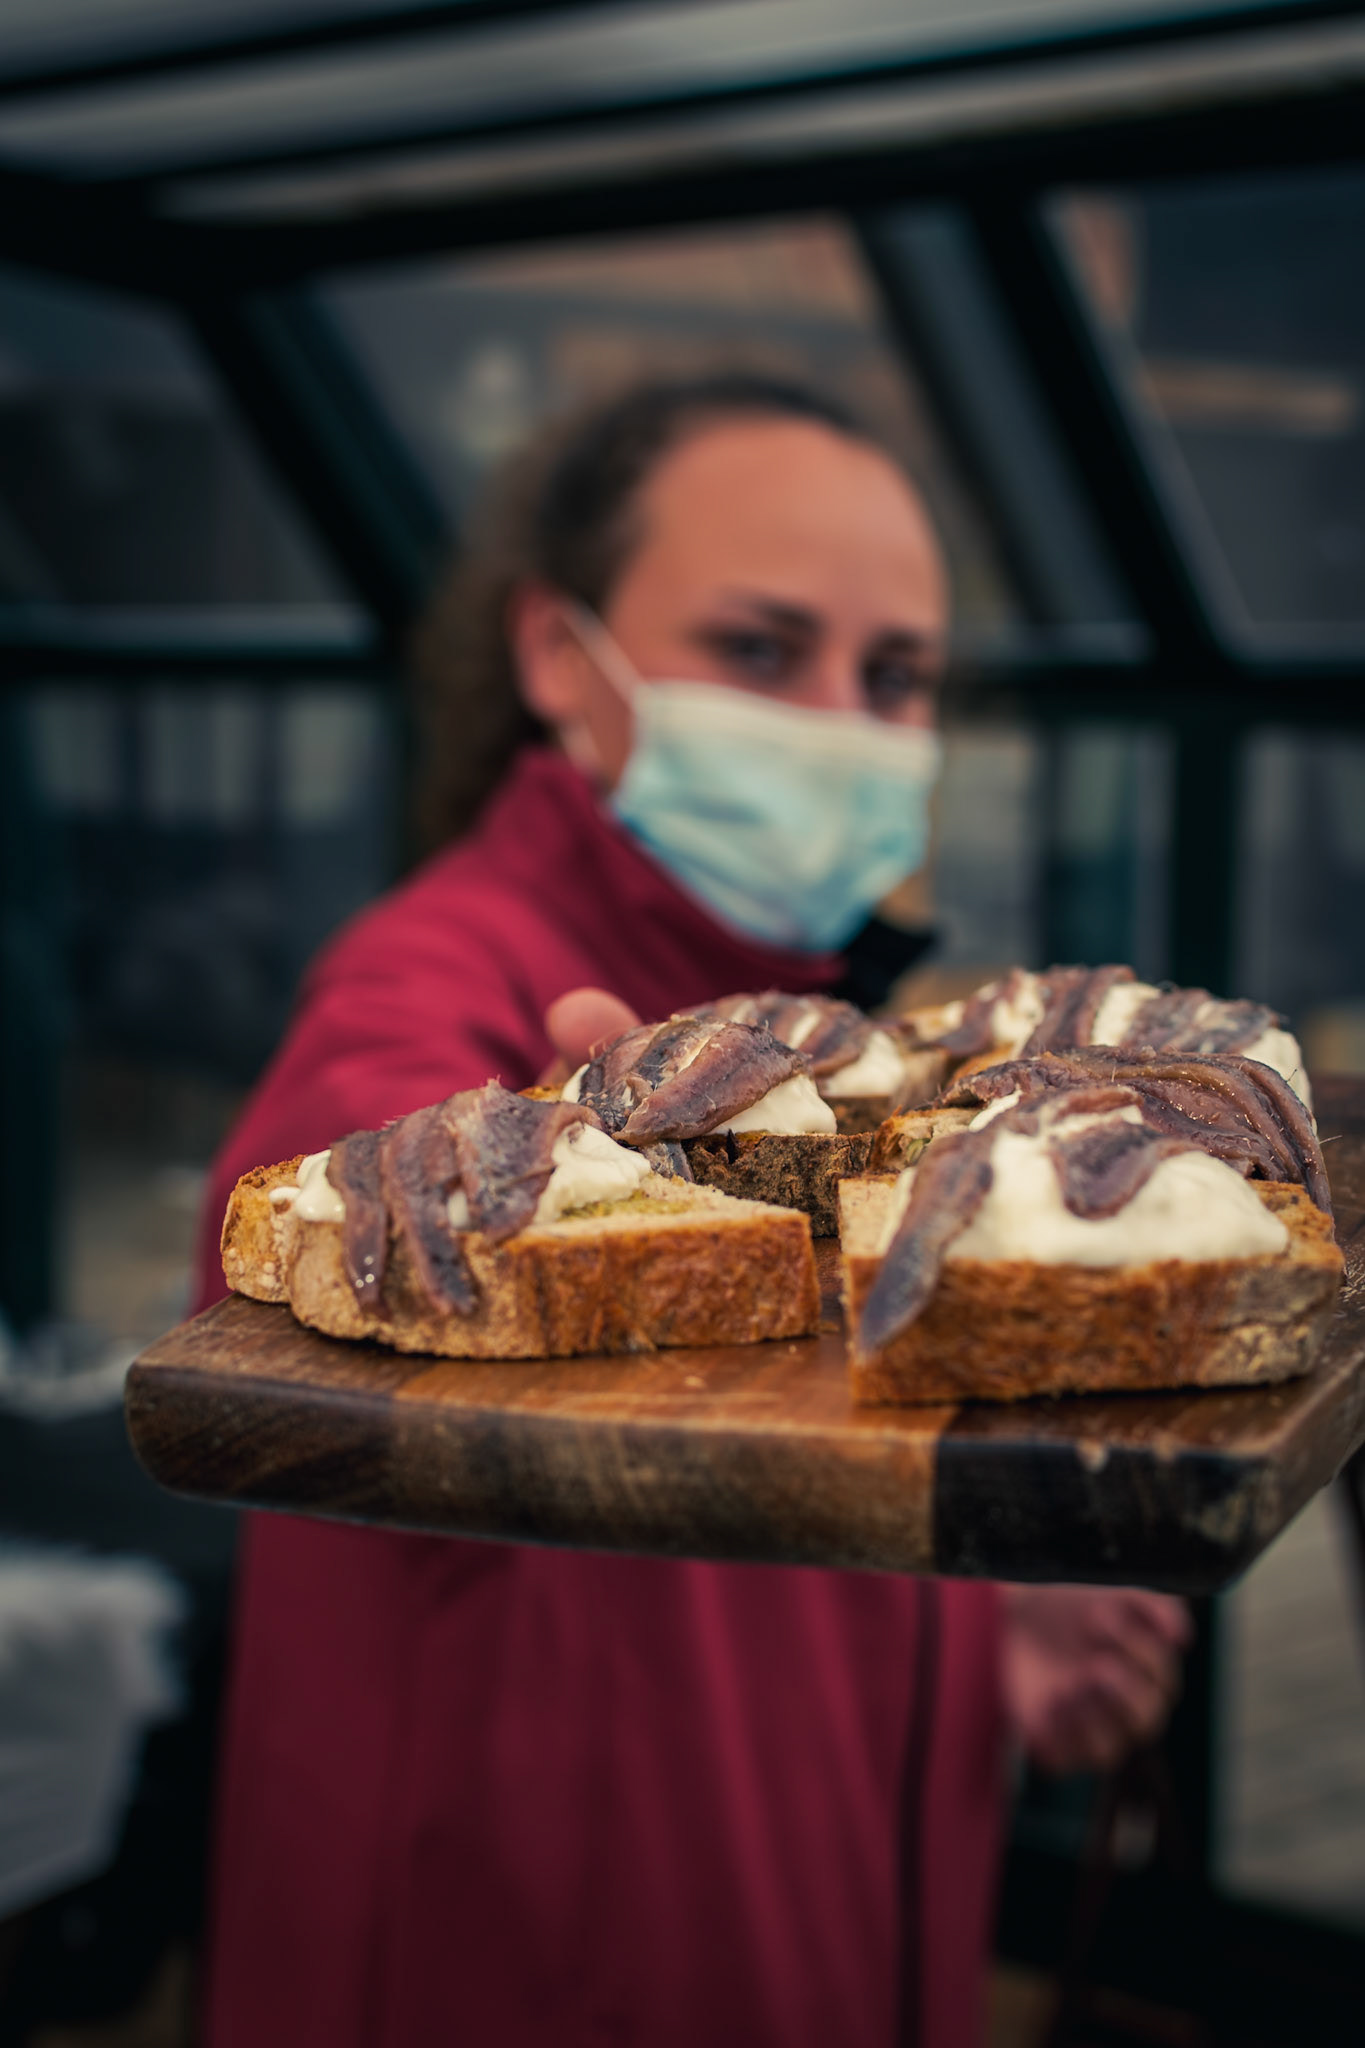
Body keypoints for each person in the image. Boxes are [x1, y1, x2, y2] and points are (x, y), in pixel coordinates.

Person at [193, 374, 1187, 2048]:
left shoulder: (812, 1025)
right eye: (756, 648)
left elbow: (763, 1541)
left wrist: (977, 1634)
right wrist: (556, 1176)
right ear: (554, 660)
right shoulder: (441, 982)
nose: (836, 722)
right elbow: (306, 1197)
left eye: (894, 678)